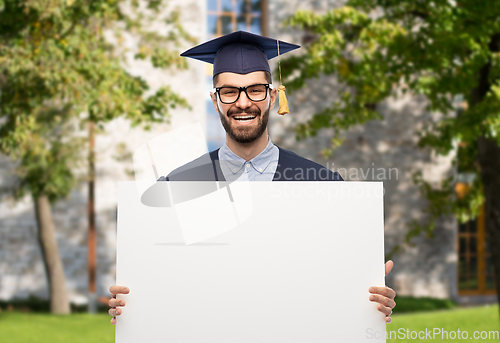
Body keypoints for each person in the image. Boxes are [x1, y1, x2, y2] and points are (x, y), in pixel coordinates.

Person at [109, 31, 396, 325]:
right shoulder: (175, 189)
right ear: (215, 99)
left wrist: (371, 301)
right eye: (229, 91)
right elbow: (162, 279)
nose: (243, 103)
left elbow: (340, 280)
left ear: (273, 96)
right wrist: (133, 304)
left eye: (255, 90)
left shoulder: (323, 186)